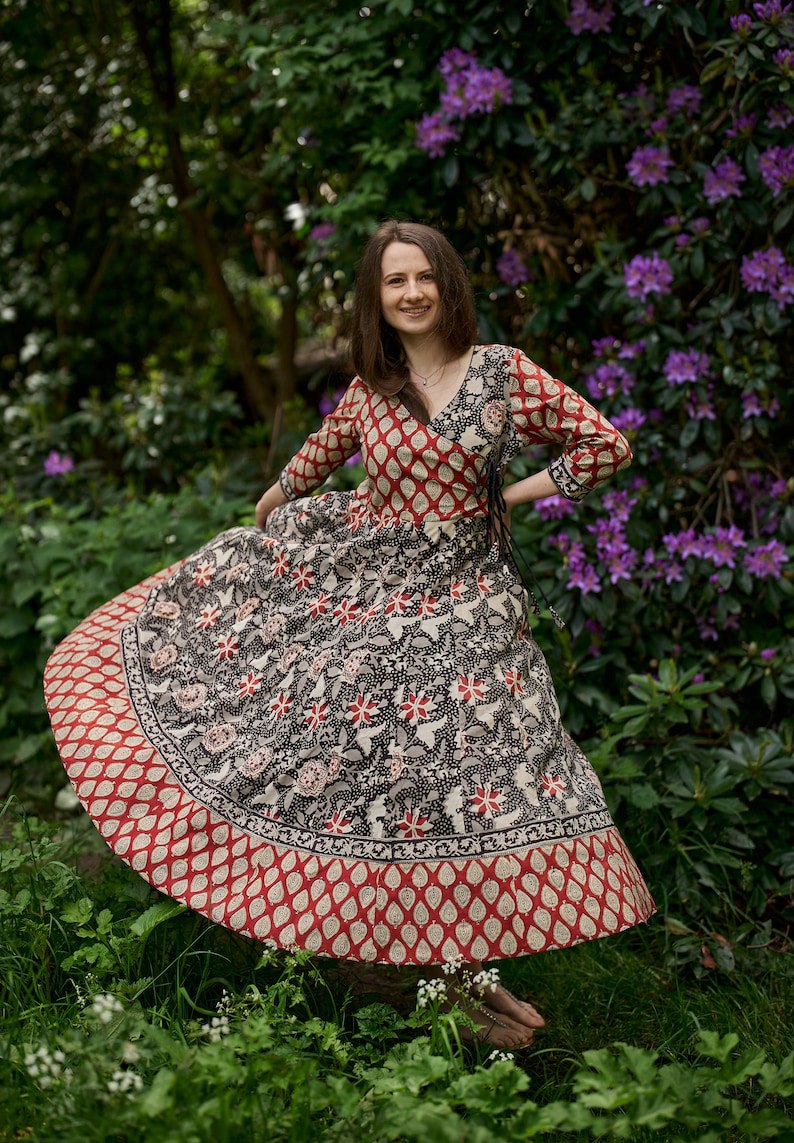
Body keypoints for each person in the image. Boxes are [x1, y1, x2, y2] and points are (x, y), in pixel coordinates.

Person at [44, 219, 655, 1052]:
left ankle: (463, 971)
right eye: (392, 282)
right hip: (372, 595)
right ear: (377, 298)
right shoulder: (374, 389)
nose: (409, 293)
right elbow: (308, 466)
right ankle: (427, 973)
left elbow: (603, 444)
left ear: (447, 285)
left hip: (469, 601)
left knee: (476, 771)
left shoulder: (503, 373)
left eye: (422, 278)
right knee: (371, 774)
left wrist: (505, 498)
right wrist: (264, 528)